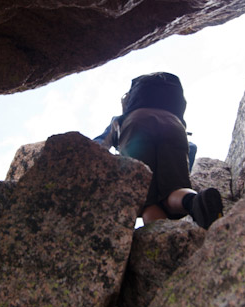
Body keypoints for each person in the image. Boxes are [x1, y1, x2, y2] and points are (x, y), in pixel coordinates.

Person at [94, 72, 223, 228]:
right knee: (173, 191)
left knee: (146, 201)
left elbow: (99, 144)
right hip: (175, 125)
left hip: (136, 124)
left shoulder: (122, 118)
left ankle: (161, 243)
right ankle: (196, 201)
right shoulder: (171, 114)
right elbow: (191, 148)